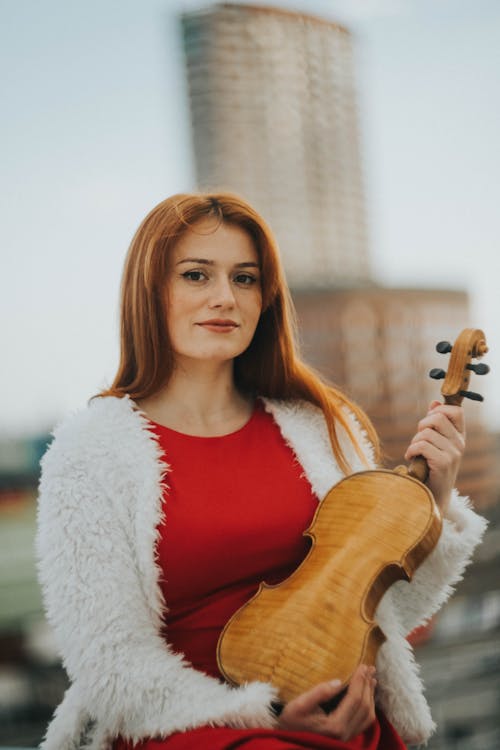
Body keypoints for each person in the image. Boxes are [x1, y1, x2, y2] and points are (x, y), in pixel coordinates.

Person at [36, 192, 486, 750]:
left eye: (245, 279)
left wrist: (434, 502)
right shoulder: (89, 451)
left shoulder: (320, 424)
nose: (224, 298)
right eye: (197, 275)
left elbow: (373, 610)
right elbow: (110, 663)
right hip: (190, 726)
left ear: (265, 298)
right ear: (150, 292)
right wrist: (264, 718)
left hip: (340, 714)